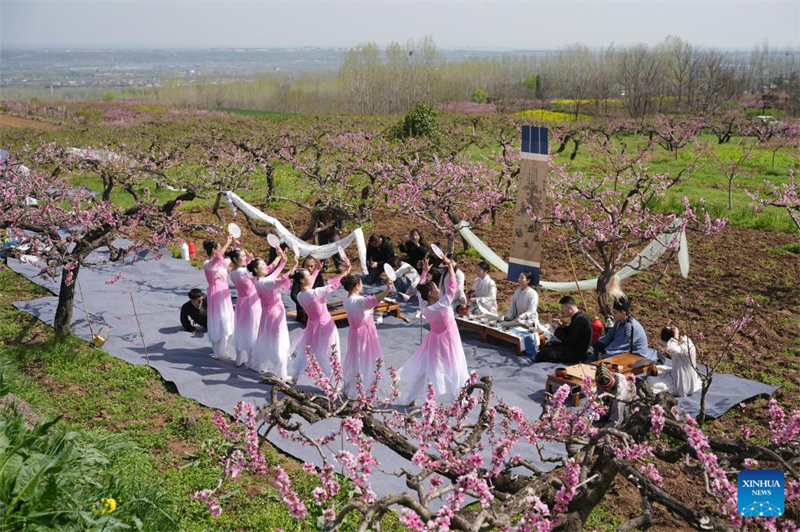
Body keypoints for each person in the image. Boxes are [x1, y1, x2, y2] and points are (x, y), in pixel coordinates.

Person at [399, 257, 470, 405]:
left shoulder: (425, 307)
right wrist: (451, 268)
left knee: (424, 370)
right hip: (449, 340)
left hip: (433, 340)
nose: (439, 290)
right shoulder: (442, 305)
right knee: (454, 370)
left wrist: (424, 272)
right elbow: (452, 288)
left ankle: (411, 399)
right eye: (436, 289)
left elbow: (419, 291)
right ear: (431, 293)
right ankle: (457, 403)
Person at [291, 258, 352, 382]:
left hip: (312, 325)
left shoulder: (300, 296)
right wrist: (347, 271)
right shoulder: (316, 293)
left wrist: (317, 270)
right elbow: (335, 284)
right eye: (308, 275)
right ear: (303, 280)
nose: (311, 275)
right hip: (325, 325)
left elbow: (309, 286)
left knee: (307, 350)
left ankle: (296, 375)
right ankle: (334, 381)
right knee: (330, 352)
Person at [341, 271, 393, 395]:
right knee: (367, 357)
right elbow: (374, 300)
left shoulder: (347, 300)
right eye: (361, 282)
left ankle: (354, 383)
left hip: (354, 333)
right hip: (365, 334)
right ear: (357, 285)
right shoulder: (358, 301)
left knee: (356, 358)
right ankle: (364, 385)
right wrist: (387, 290)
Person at [251, 248, 298, 379]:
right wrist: (294, 266)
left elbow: (274, 275)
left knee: (268, 338)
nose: (266, 266)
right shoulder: (266, 282)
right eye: (262, 266)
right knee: (279, 340)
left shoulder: (258, 282)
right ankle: (281, 373)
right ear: (256, 269)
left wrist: (283, 262)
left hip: (266, 313)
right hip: (276, 312)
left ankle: (262, 365)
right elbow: (282, 280)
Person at [228, 248, 262, 368]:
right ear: (235, 259)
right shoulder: (243, 272)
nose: (245, 258)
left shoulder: (232, 272)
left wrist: (249, 261)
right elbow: (257, 274)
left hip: (241, 302)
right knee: (253, 328)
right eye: (243, 256)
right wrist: (252, 261)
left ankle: (240, 357)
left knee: (242, 328)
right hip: (251, 302)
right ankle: (251, 360)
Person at [203, 237, 235, 359]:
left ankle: (223, 348)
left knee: (226, 318)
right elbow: (218, 258)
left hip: (224, 292)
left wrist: (235, 246)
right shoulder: (207, 264)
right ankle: (218, 350)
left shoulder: (221, 263)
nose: (221, 250)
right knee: (218, 319)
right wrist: (227, 242)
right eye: (219, 248)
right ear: (214, 250)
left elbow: (230, 259)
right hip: (216, 292)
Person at [646, 326, 702, 397]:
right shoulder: (683, 342)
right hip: (677, 374)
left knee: (650, 381)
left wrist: (675, 337)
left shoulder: (684, 346)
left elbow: (671, 349)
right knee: (657, 368)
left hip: (682, 385)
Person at [535, 296, 592, 364]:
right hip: (573, 348)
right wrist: (561, 326)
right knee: (549, 344)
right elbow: (571, 331)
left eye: (563, 308)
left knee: (542, 354)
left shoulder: (580, 320)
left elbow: (569, 342)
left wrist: (557, 330)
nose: (562, 311)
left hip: (576, 354)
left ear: (568, 307)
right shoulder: (579, 317)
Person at [290, 256, 324, 325]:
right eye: (307, 266)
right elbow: (293, 294)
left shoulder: (318, 276)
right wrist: (303, 303)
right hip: (303, 309)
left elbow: (322, 292)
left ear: (315, 266)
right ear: (304, 265)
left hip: (316, 307)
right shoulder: (300, 277)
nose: (309, 268)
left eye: (311, 266)